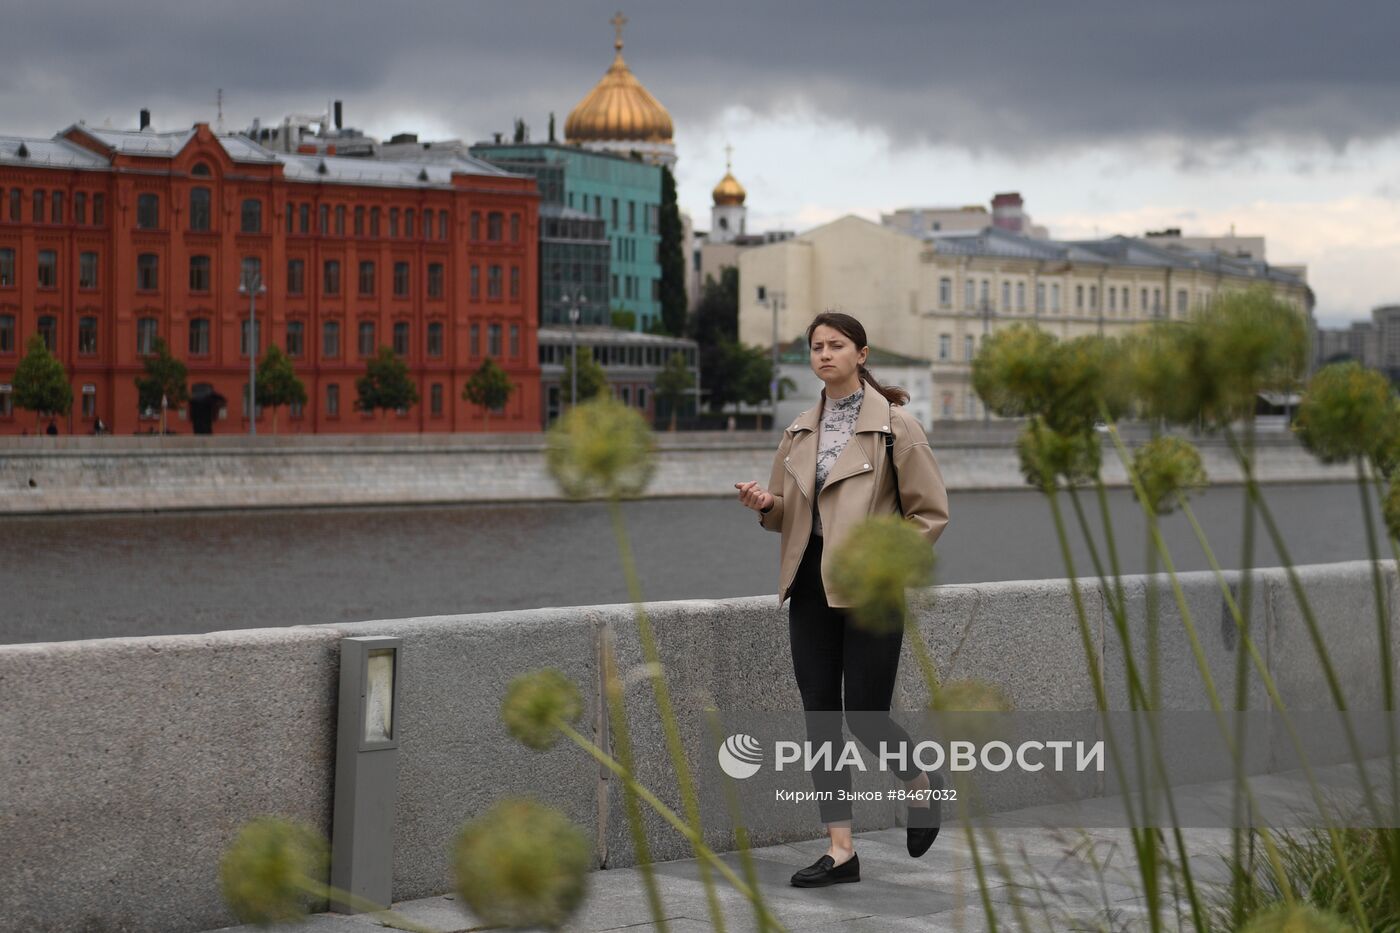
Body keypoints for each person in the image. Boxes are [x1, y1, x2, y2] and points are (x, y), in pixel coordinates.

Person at [735, 311, 950, 888]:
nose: (824, 354)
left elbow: (929, 515)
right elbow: (788, 512)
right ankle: (840, 850)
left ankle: (921, 783)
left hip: (869, 586)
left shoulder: (895, 427)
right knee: (822, 717)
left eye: (836, 345)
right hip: (808, 583)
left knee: (865, 715)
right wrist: (764, 504)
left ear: (862, 352)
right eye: (816, 347)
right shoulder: (800, 429)